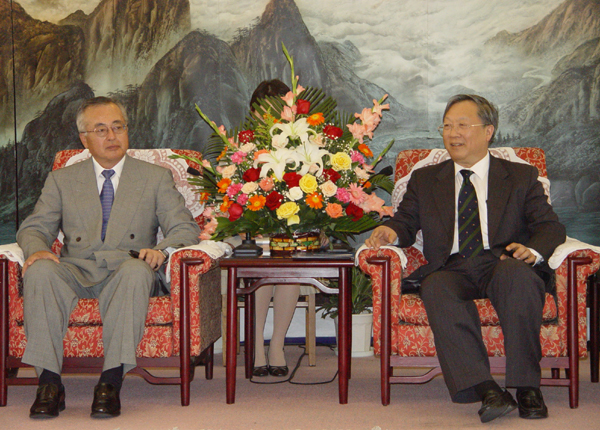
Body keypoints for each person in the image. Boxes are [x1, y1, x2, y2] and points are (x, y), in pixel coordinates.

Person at [365, 94, 565, 423]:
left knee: (519, 278)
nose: (452, 133)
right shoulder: (426, 179)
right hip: (451, 267)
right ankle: (486, 389)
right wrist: (390, 232)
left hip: (502, 262)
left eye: (462, 125)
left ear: (488, 131)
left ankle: (527, 387)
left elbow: (550, 227)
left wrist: (533, 250)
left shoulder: (521, 176)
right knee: (435, 287)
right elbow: (405, 222)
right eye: (447, 126)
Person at [17, 96, 201, 419]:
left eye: (118, 127)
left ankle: (110, 381)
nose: (112, 136)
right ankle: (49, 384)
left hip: (127, 268)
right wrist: (38, 249)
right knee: (40, 271)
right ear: (84, 139)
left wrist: (161, 250)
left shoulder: (154, 177)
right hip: (76, 270)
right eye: (101, 130)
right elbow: (33, 228)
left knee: (136, 271)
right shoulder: (62, 180)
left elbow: (184, 228)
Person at [249, 79, 300, 377]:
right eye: (263, 110)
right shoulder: (240, 148)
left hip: (289, 233)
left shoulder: (301, 146)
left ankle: (277, 345)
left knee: (288, 262)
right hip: (249, 234)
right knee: (262, 259)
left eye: (276, 109)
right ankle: (256, 347)